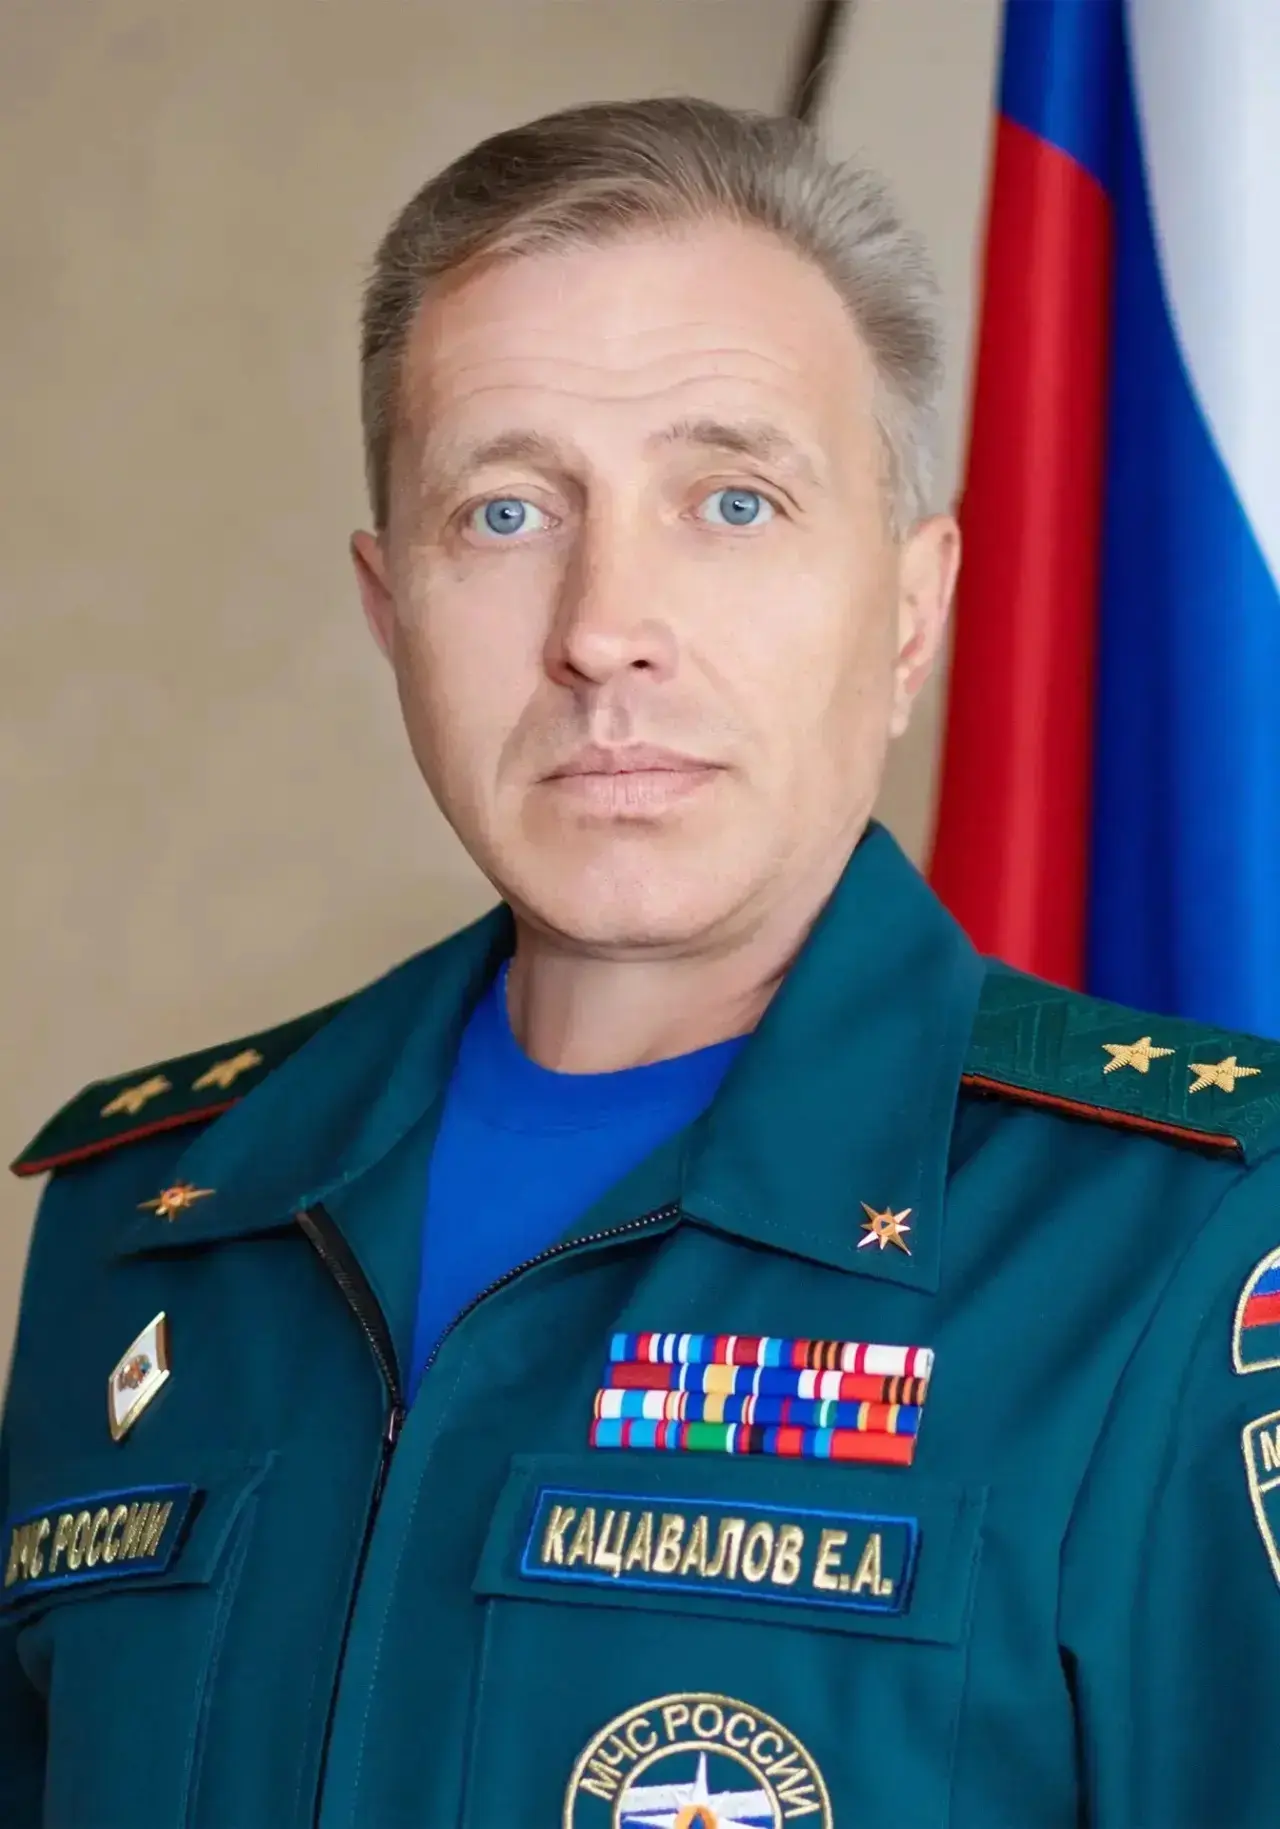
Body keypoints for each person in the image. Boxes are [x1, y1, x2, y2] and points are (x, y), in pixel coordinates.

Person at [4, 95, 1279, 1829]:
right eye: (505, 513)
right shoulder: (148, 1217)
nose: (605, 628)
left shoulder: (1191, 1241)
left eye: (733, 501)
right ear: (390, 609)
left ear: (912, 610)